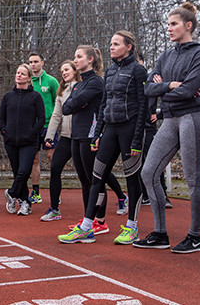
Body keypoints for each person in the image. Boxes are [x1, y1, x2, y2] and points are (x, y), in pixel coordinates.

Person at [133, 2, 200, 253]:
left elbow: (190, 90)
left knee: (192, 178)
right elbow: (148, 88)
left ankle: (195, 237)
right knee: (148, 173)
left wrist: (165, 86)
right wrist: (170, 86)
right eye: (167, 24)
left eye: (173, 24)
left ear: (188, 26)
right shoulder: (166, 55)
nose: (169, 28)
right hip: (170, 119)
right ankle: (160, 233)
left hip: (193, 118)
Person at [58, 31, 147, 244]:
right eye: (110, 44)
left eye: (116, 44)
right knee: (96, 177)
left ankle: (132, 226)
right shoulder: (109, 71)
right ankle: (87, 227)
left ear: (129, 47)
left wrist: (136, 139)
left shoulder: (138, 70)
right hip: (109, 131)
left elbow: (143, 106)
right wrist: (97, 134)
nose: (111, 47)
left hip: (129, 130)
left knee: (132, 179)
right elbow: (104, 105)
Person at [56, 46, 104, 238]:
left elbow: (75, 103)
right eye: (74, 56)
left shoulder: (96, 82)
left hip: (90, 135)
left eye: (79, 57)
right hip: (76, 135)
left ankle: (98, 221)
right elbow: (67, 107)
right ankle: (88, 219)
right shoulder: (77, 85)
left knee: (94, 180)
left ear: (90, 59)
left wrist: (77, 103)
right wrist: (76, 102)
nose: (75, 60)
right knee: (84, 180)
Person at [0, 64, 45, 216]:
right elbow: (1, 117)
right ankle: (24, 202)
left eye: (23, 74)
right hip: (11, 141)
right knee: (18, 172)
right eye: (17, 73)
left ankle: (11, 193)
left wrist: (33, 133)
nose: (19, 75)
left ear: (29, 78)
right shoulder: (7, 96)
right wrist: (4, 131)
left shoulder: (35, 96)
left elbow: (42, 118)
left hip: (29, 142)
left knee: (24, 171)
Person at [39, 60, 80, 221]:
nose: (63, 73)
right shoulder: (61, 92)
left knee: (93, 173)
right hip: (66, 137)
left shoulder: (83, 88)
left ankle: (120, 197)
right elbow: (56, 115)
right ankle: (54, 209)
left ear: (75, 70)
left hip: (81, 138)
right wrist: (49, 136)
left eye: (66, 69)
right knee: (55, 168)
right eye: (61, 70)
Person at [136, 51, 172, 209]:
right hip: (134, 127)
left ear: (143, 61)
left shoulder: (151, 78)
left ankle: (163, 196)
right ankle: (143, 195)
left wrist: (160, 115)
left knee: (155, 161)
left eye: (138, 61)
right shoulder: (129, 80)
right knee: (138, 162)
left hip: (149, 127)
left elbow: (166, 93)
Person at [28, 52, 59, 204]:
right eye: (30, 62)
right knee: (34, 160)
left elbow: (58, 100)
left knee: (53, 158)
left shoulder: (51, 81)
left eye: (35, 61)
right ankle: (36, 193)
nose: (33, 64)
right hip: (33, 127)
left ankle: (56, 193)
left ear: (42, 63)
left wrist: (54, 120)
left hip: (49, 126)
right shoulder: (27, 82)